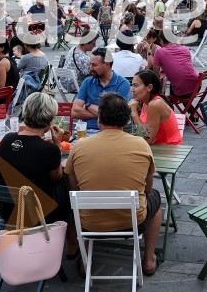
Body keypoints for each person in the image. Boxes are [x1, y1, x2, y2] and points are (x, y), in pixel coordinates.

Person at [65, 94, 163, 277]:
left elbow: (74, 189)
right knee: (156, 201)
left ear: (99, 118)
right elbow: (148, 189)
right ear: (126, 120)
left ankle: (85, 260)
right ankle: (149, 260)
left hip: (89, 222)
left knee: (79, 203)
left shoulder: (80, 146)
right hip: (132, 222)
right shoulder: (141, 145)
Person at [0, 93, 78, 257]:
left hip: (8, 210)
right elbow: (56, 177)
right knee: (70, 180)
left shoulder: (7, 140)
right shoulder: (50, 150)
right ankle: (72, 243)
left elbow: (27, 155)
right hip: (38, 213)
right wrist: (57, 146)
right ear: (49, 119)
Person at [71, 48, 131, 132]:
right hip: (87, 130)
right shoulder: (88, 82)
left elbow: (117, 116)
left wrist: (88, 106)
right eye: (90, 64)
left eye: (94, 65)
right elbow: (74, 112)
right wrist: (105, 114)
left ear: (107, 64)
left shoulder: (122, 84)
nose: (90, 68)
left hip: (110, 132)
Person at [129, 70, 182, 145]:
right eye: (132, 85)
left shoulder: (155, 104)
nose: (132, 90)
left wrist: (134, 113)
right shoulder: (145, 101)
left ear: (149, 87)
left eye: (136, 85)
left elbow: (148, 140)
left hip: (168, 149)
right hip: (158, 146)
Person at [152, 33, 199, 97]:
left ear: (161, 41)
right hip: (196, 85)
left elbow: (156, 75)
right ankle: (188, 107)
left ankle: (168, 105)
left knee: (170, 92)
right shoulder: (185, 49)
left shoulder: (159, 52)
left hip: (181, 90)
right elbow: (183, 67)